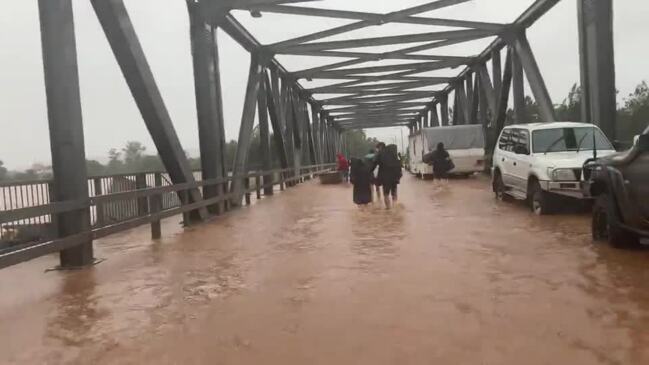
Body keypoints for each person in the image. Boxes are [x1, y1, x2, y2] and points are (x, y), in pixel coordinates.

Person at [374, 143, 402, 209]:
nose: (377, 150)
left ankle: (388, 209)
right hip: (395, 176)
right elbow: (399, 163)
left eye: (377, 148)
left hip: (385, 177)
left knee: (386, 193)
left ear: (380, 147)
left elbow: (375, 163)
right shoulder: (393, 153)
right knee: (394, 192)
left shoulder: (380, 154)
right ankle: (395, 207)